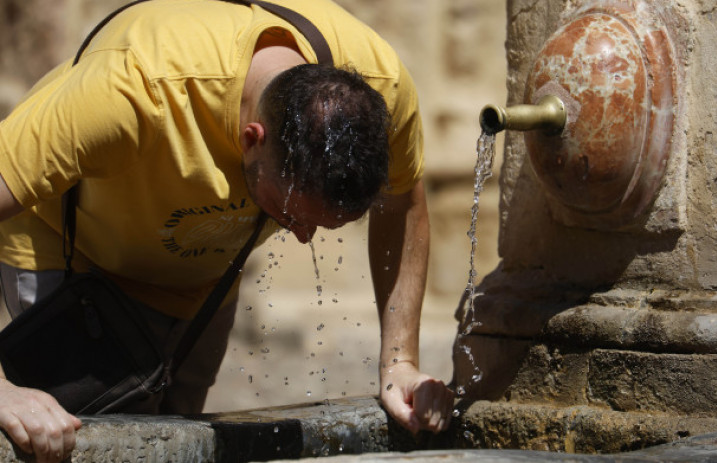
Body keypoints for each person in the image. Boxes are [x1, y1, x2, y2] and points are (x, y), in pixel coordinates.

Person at [0, 0, 454, 461]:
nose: (302, 237)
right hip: (74, 258)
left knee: (173, 447)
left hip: (204, 269)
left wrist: (400, 363)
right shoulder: (136, 90)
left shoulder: (382, 92)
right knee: (59, 441)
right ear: (252, 138)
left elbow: (404, 202)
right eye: (291, 213)